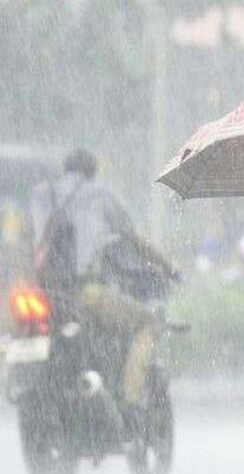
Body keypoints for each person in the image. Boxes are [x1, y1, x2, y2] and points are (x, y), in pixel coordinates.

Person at [30, 149, 171, 418]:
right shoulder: (99, 195)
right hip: (85, 293)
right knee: (149, 322)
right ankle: (131, 404)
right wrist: (168, 267)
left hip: (45, 296)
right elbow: (134, 239)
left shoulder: (41, 195)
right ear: (92, 171)